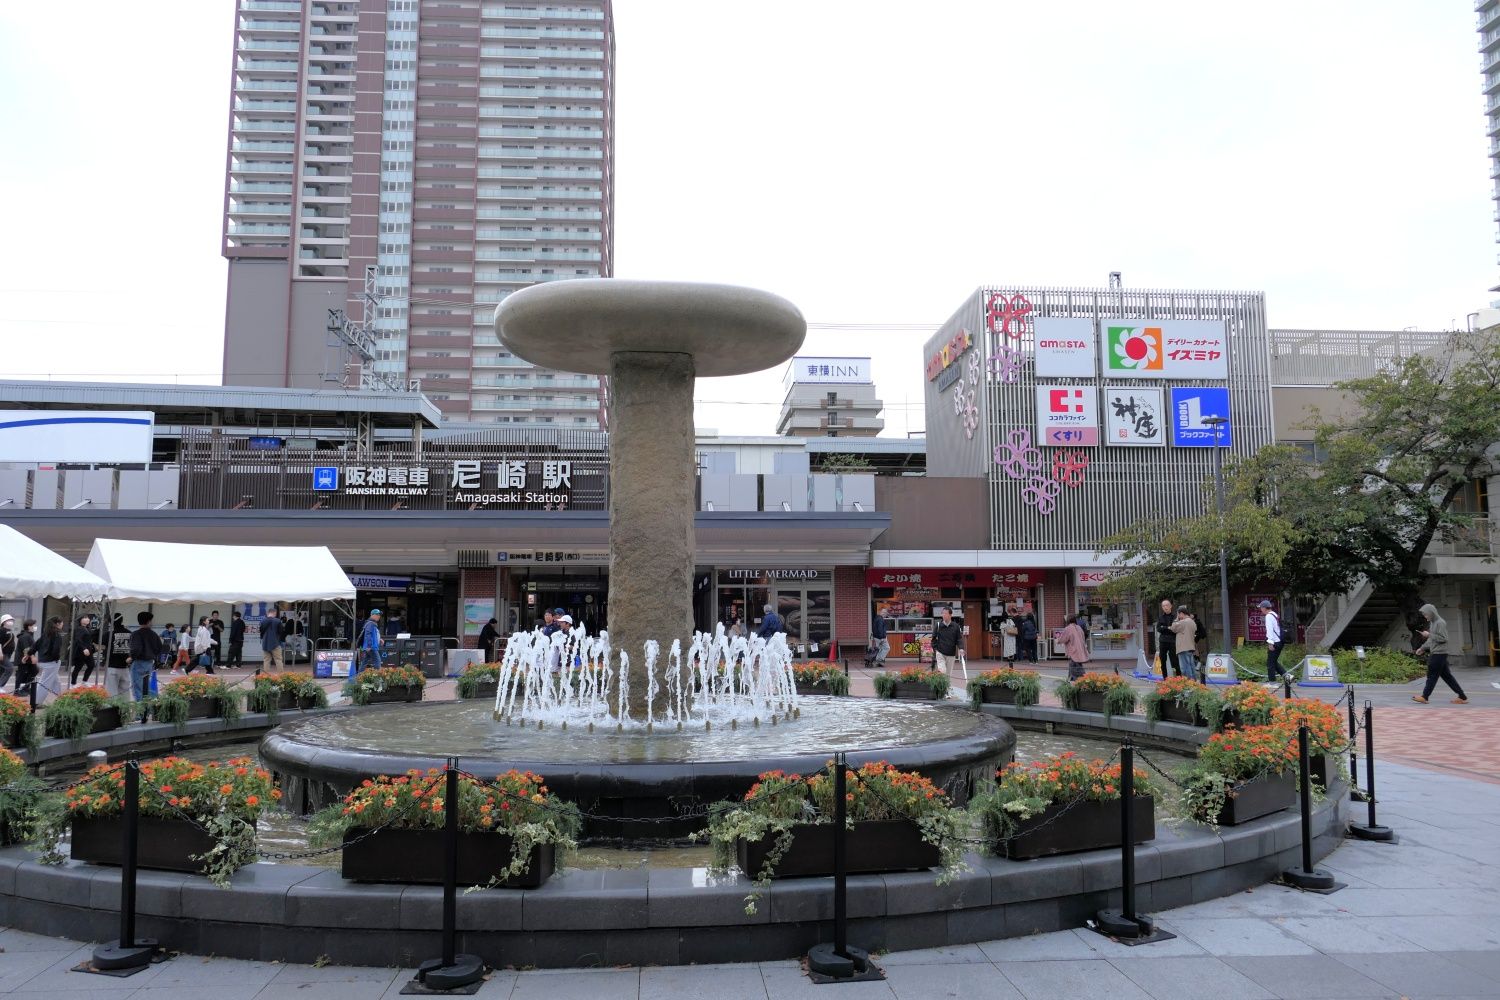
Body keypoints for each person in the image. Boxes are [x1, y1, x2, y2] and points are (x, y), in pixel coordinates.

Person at [1412, 603, 1468, 704]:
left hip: (1439, 653)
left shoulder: (1440, 623)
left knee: (1432, 675)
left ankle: (1425, 697)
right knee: (1447, 677)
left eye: (1426, 614)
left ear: (1431, 613)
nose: (1425, 616)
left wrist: (1429, 634)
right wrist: (1423, 648)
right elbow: (1432, 640)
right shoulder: (1433, 623)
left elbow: (1443, 639)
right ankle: (1462, 697)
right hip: (1439, 653)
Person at [128, 611, 163, 703]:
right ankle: (148, 710)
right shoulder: (154, 634)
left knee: (138, 688)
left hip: (138, 662)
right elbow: (159, 648)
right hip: (150, 663)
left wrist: (131, 657)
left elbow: (135, 649)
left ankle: (140, 712)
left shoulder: (136, 634)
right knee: (147, 688)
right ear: (148, 621)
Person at [34, 617, 65, 704]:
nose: (63, 625)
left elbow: (36, 645)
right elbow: (56, 649)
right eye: (62, 623)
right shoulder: (57, 635)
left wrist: (29, 653)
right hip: (51, 662)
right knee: (45, 683)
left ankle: (60, 698)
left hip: (43, 661)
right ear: (58, 624)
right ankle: (36, 702)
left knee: (56, 681)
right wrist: (56, 658)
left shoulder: (46, 634)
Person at [103, 612, 133, 700]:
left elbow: (95, 638)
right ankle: (125, 712)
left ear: (110, 623)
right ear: (122, 620)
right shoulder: (130, 633)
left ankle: (112, 712)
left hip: (112, 666)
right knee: (125, 693)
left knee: (111, 694)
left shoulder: (109, 634)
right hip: (125, 666)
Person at [931, 606, 964, 678]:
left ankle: (946, 688)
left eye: (945, 613)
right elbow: (933, 639)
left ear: (950, 615)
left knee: (948, 674)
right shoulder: (938, 625)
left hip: (951, 653)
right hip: (940, 652)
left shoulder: (955, 626)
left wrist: (961, 648)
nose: (944, 615)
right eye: (942, 613)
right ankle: (941, 688)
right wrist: (935, 650)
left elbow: (959, 639)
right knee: (942, 671)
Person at [1259, 599, 1285, 688]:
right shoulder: (1274, 614)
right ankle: (1287, 676)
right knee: (1273, 661)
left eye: (1261, 608)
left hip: (1274, 642)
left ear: (1264, 608)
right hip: (1280, 641)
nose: (1260, 610)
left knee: (1270, 662)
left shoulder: (1268, 616)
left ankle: (1272, 683)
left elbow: (1270, 630)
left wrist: (1270, 643)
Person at [1058, 613, 1092, 680]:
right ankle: (1069, 681)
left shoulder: (1068, 628)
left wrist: (1057, 640)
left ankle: (1084, 682)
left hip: (1073, 651)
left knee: (1077, 670)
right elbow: (1084, 636)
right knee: (1074, 667)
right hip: (1080, 650)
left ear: (1068, 620)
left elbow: (1063, 639)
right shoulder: (1078, 627)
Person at [1170, 607, 1199, 682]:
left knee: (1185, 668)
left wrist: (1176, 619)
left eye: (1178, 615)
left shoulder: (1183, 622)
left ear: (1181, 613)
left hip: (1183, 648)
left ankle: (1188, 685)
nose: (1178, 617)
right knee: (1191, 667)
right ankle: (1194, 683)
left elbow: (1173, 628)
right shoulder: (1192, 622)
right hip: (1190, 647)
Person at [13, 619, 37, 701]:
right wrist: (32, 657)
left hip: (27, 658)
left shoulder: (29, 635)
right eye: (34, 625)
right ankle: (16, 691)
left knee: (34, 670)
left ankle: (25, 688)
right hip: (22, 659)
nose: (35, 627)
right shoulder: (25, 636)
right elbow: (26, 648)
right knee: (20, 674)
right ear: (29, 626)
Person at [1155, 599, 1180, 678]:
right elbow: (1158, 629)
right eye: (1163, 606)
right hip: (1163, 641)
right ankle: (1165, 678)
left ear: (1171, 606)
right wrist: (1168, 627)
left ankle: (1178, 678)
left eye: (1167, 605)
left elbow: (1175, 629)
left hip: (1172, 641)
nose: (1165, 607)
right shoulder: (1160, 617)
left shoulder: (1175, 617)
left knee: (1175, 661)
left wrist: (1164, 627)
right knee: (1163, 660)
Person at [69, 615, 97, 687]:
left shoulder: (88, 628)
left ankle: (84, 681)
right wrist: (84, 648)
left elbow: (91, 638)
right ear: (80, 620)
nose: (87, 619)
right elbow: (78, 639)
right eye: (84, 618)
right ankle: (73, 683)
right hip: (81, 651)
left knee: (91, 665)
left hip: (89, 651)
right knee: (78, 668)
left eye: (87, 617)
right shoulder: (79, 629)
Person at [357, 609, 384, 674]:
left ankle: (358, 678)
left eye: (379, 615)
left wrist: (379, 639)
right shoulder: (371, 623)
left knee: (364, 663)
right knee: (377, 663)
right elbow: (368, 635)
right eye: (377, 615)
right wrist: (369, 646)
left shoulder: (371, 623)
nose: (379, 616)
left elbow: (372, 634)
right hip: (371, 647)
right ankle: (378, 680)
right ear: (372, 615)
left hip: (369, 647)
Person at [259, 609, 285, 674]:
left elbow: (261, 631)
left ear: (268, 613)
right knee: (278, 660)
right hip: (275, 643)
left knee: (266, 660)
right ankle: (281, 676)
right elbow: (281, 632)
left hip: (265, 644)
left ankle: (265, 676)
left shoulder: (262, 621)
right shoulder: (278, 621)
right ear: (274, 613)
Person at [0, 614, 15, 692]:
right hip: (3, 654)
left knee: (2, 670)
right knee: (10, 668)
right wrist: (0, 653)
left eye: (12, 620)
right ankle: (0, 685)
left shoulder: (9, 631)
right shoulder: (2, 630)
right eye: (9, 620)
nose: (11, 621)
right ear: (4, 622)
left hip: (7, 654)